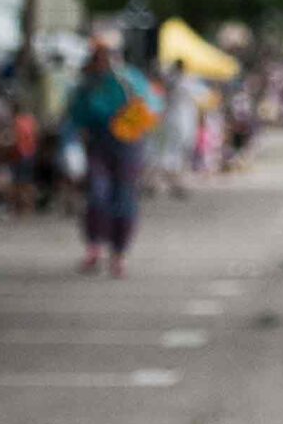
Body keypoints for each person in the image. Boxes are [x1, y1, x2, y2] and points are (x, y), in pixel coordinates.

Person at [63, 35, 158, 275]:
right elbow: (74, 115)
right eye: (97, 56)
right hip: (97, 142)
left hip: (127, 144)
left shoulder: (129, 79)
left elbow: (152, 106)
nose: (101, 60)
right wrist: (71, 144)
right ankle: (95, 247)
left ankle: (118, 254)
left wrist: (132, 124)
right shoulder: (87, 83)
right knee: (98, 193)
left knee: (124, 197)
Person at [155, 63, 201, 198]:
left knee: (174, 151)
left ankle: (173, 181)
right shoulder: (182, 81)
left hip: (177, 120)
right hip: (178, 120)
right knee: (173, 151)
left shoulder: (174, 81)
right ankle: (172, 181)